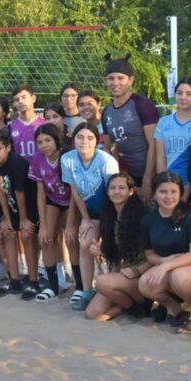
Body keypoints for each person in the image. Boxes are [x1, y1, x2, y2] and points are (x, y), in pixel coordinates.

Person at [137, 172, 191, 332]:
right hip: (171, 267)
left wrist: (165, 267)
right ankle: (176, 309)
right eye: (163, 191)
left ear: (180, 193)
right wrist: (164, 263)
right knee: (144, 283)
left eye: (173, 191)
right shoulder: (148, 220)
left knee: (179, 276)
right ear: (154, 194)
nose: (168, 196)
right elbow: (149, 254)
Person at [62, 123, 120, 310]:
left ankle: (114, 288)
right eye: (80, 137)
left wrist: (107, 227)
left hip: (112, 211)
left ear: (97, 140)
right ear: (74, 139)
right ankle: (87, 291)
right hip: (91, 212)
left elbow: (115, 194)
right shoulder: (68, 159)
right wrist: (85, 219)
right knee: (86, 243)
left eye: (89, 138)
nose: (84, 141)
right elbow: (76, 193)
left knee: (109, 247)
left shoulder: (106, 162)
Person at [84, 174, 150, 320]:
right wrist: (99, 251)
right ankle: (131, 308)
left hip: (143, 276)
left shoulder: (143, 216)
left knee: (103, 282)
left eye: (122, 188)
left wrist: (137, 270)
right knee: (92, 313)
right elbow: (114, 255)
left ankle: (139, 307)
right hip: (122, 274)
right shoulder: (109, 215)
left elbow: (155, 255)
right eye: (112, 188)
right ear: (107, 192)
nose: (117, 192)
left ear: (131, 191)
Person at [0, 129, 38, 298]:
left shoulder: (17, 162)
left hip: (30, 207)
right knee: (8, 233)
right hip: (11, 206)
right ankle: (15, 280)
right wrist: (7, 220)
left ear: (8, 148)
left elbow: (20, 192)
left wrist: (23, 219)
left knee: (26, 235)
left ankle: (33, 281)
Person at [101, 54, 159, 200]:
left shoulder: (142, 105)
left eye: (120, 78)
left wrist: (147, 180)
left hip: (149, 174)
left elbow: (155, 145)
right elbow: (108, 148)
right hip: (127, 177)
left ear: (131, 80)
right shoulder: (107, 111)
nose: (115, 83)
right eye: (111, 78)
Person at [30, 124, 71, 300]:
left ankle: (82, 284)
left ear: (56, 139)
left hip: (72, 201)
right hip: (52, 199)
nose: (44, 145)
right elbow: (40, 194)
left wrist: (70, 224)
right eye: (40, 142)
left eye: (48, 140)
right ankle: (55, 284)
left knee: (72, 238)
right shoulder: (37, 159)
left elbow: (76, 192)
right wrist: (44, 225)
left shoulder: (67, 157)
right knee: (46, 239)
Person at [154, 78, 191, 198]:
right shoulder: (163, 122)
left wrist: (190, 187)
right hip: (170, 186)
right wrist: (162, 185)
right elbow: (160, 159)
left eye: (189, 94)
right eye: (179, 93)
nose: (183, 97)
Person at [9, 85, 45, 158]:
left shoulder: (44, 124)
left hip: (40, 169)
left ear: (33, 98)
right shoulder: (11, 127)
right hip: (20, 168)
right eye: (17, 99)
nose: (20, 101)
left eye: (24, 97)